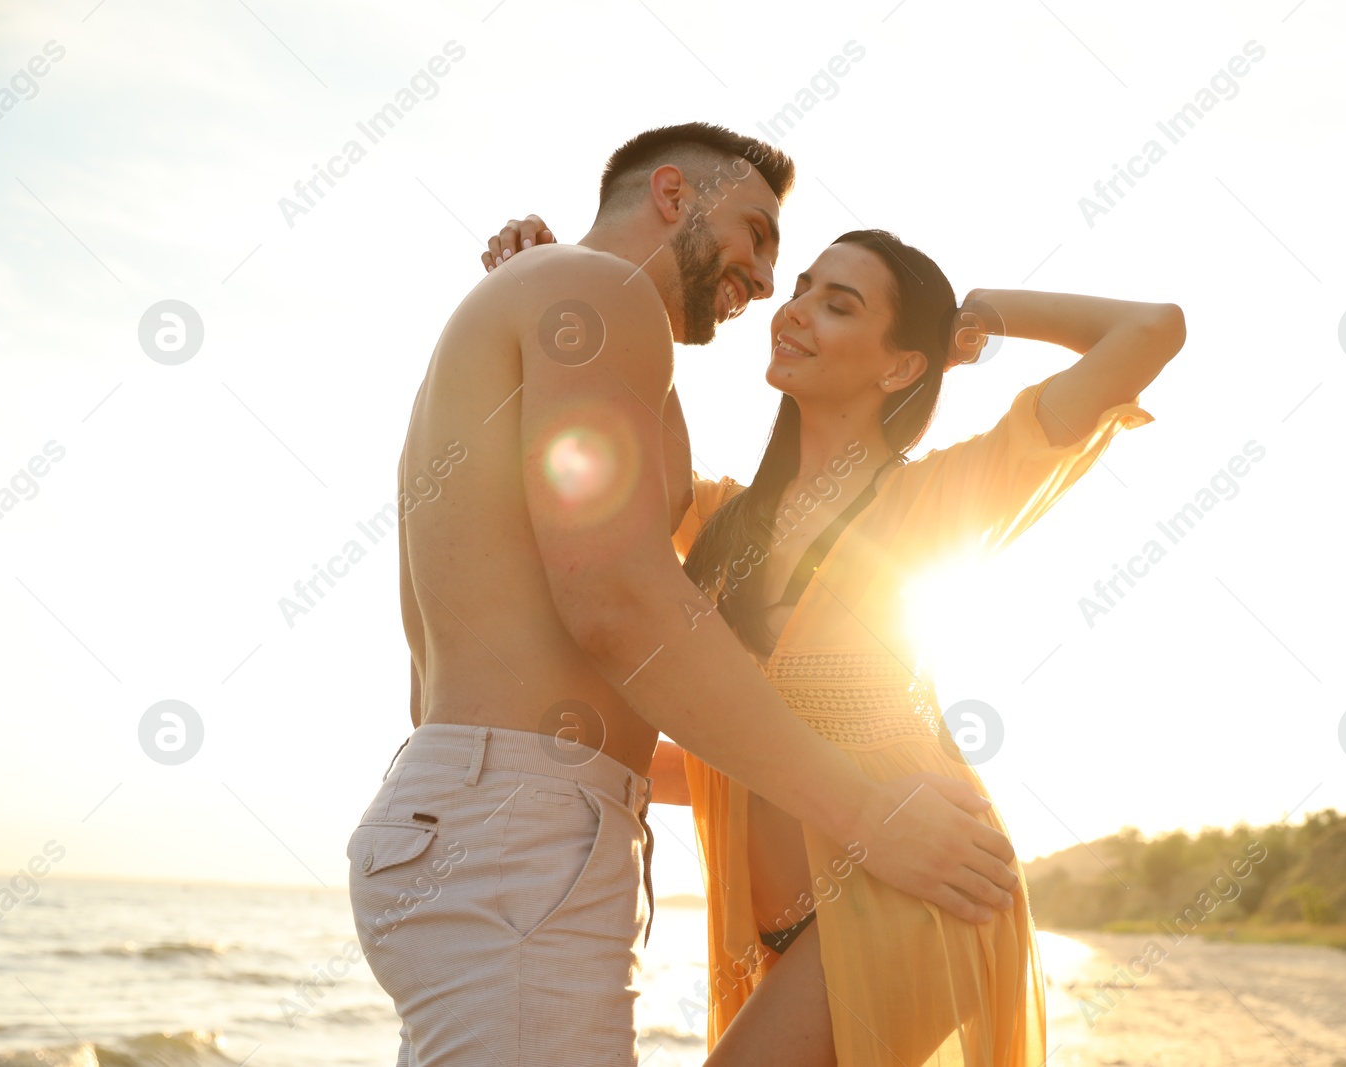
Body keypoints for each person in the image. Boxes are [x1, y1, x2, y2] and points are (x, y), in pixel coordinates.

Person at [347, 123, 1021, 1067]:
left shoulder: (574, 310)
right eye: (754, 232)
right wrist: (868, 817)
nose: (758, 274)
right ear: (673, 195)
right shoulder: (596, 295)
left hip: (484, 810)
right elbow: (619, 602)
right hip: (516, 830)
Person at [482, 219, 1185, 1064]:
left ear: (900, 364)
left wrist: (980, 317)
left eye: (838, 303)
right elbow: (607, 428)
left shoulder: (944, 497)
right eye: (804, 287)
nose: (798, 309)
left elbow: (1151, 330)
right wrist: (555, 282)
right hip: (775, 935)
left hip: (914, 890)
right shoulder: (717, 520)